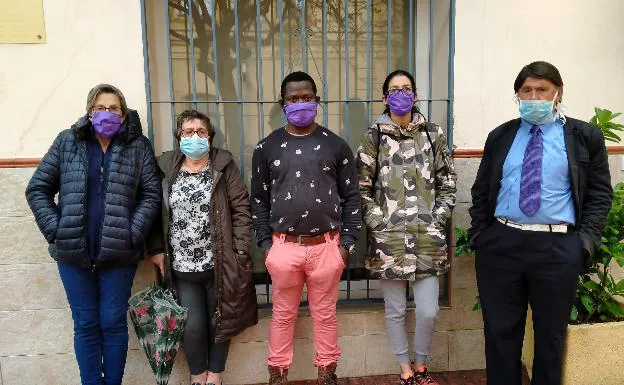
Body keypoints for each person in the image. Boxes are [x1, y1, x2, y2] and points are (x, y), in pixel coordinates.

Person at [468, 61, 612, 385]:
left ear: (558, 92)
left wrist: (583, 243)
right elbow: (481, 191)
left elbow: (600, 193)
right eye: (526, 90)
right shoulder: (501, 136)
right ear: (517, 94)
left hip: (557, 249)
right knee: (500, 337)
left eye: (541, 90)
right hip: (501, 246)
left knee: (550, 339)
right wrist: (482, 234)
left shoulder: (584, 137)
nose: (534, 97)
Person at [25, 84, 162, 385]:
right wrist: (55, 230)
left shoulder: (138, 145)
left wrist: (132, 232)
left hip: (120, 255)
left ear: (124, 114)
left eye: (114, 108)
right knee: (85, 324)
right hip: (73, 254)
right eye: (100, 107)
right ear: (89, 112)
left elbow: (151, 194)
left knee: (113, 323)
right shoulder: (67, 141)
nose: (107, 113)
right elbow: (37, 189)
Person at [251, 71, 362, 385]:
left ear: (317, 100)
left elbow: (352, 197)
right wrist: (267, 245)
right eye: (293, 99)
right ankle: (278, 376)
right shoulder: (266, 147)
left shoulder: (336, 146)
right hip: (282, 247)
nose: (300, 103)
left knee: (325, 315)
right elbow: (257, 199)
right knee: (283, 314)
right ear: (282, 103)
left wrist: (346, 244)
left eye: (307, 97)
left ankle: (327, 374)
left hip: (327, 247)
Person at [357, 70, 457, 385]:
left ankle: (423, 364)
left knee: (428, 310)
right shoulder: (374, 136)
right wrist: (378, 222)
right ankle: (405, 370)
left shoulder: (433, 133)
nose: (401, 93)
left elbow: (448, 184)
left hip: (427, 240)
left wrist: (437, 219)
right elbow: (360, 189)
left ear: (415, 95)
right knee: (396, 309)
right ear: (385, 97)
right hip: (389, 244)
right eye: (395, 89)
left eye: (407, 88)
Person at [146, 109, 258, 385]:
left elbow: (241, 209)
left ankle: (214, 377)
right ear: (178, 137)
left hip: (219, 264)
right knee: (192, 327)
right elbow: (153, 211)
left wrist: (240, 251)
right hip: (181, 267)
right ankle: (197, 377)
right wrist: (157, 249)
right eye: (187, 132)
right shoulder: (166, 167)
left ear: (210, 137)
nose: (194, 137)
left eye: (201, 132)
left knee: (220, 322)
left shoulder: (223, 165)